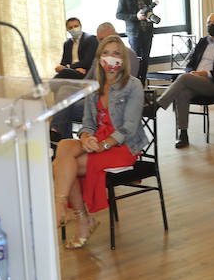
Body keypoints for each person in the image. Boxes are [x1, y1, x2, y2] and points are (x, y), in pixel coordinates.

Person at [51, 36, 148, 247]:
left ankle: (79, 217)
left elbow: (129, 128)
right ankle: (66, 208)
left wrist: (103, 145)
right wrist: (86, 137)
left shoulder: (133, 85)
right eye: (106, 53)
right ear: (99, 58)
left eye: (116, 53)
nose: (111, 58)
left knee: (65, 165)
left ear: (123, 59)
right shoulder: (94, 87)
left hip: (122, 146)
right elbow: (87, 123)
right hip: (99, 141)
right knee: (65, 146)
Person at [153, 13, 214, 148]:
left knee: (183, 78)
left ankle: (158, 105)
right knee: (183, 92)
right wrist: (192, 73)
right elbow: (190, 64)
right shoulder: (202, 42)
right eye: (208, 22)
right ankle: (183, 134)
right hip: (195, 80)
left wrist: (206, 73)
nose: (211, 25)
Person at [115, 0, 155, 81]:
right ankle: (135, 84)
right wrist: (135, 17)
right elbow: (119, 14)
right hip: (135, 33)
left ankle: (142, 85)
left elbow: (148, 9)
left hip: (147, 31)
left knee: (145, 60)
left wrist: (149, 16)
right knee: (136, 60)